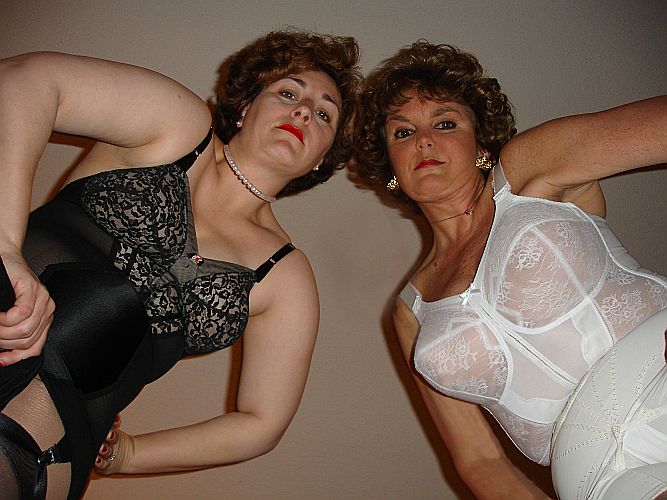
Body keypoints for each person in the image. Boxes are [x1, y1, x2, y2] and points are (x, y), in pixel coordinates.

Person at [0, 29, 361, 499]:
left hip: (46, 453)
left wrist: (131, 455)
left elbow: (262, 423)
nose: (304, 112)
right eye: (289, 93)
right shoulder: (177, 128)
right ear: (246, 106)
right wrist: (5, 246)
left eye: (324, 114)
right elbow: (27, 78)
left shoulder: (284, 275)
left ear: (321, 159)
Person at [355, 41, 666, 499]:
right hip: (599, 476)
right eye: (402, 132)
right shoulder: (409, 312)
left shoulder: (528, 172)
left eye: (445, 123)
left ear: (482, 144)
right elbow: (481, 461)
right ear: (391, 168)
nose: (423, 140)